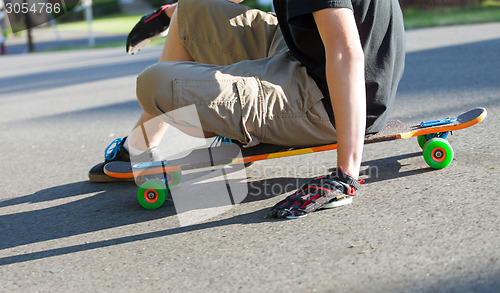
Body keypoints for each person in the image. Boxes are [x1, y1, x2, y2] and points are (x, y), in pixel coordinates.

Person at [89, 0, 405, 218]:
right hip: (303, 58)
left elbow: (345, 53)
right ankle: (139, 147)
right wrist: (171, 14)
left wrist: (345, 176)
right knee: (191, 8)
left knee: (154, 84)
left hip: (329, 100)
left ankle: (242, 127)